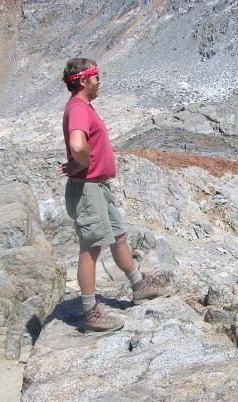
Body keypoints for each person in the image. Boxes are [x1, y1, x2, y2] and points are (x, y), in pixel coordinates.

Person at [58, 57, 170, 333]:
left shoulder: (83, 107)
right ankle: (89, 313)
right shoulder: (79, 108)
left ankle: (138, 285)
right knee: (91, 247)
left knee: (118, 237)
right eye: (96, 77)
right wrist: (82, 162)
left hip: (97, 187)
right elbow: (76, 141)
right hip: (87, 188)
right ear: (84, 80)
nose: (99, 82)